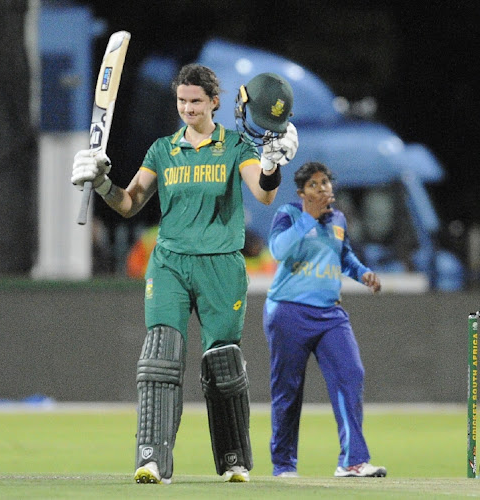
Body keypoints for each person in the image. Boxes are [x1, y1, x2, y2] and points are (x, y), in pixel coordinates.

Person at [71, 64, 299, 484]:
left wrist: (271, 164)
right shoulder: (163, 149)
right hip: (171, 262)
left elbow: (264, 194)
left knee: (223, 364)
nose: (188, 108)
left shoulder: (235, 147)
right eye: (182, 101)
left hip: (221, 265)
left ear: (214, 101)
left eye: (196, 101)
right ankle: (152, 460)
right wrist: (102, 181)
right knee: (160, 356)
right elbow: (128, 203)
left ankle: (233, 460)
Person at [262, 161, 387, 478]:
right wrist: (308, 219)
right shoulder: (289, 214)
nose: (323, 189)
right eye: (314, 185)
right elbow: (278, 249)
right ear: (302, 192)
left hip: (330, 313)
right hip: (288, 310)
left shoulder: (339, 219)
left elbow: (343, 256)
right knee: (288, 392)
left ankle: (352, 460)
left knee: (351, 373)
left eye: (326, 183)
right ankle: (284, 465)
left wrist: (363, 274)